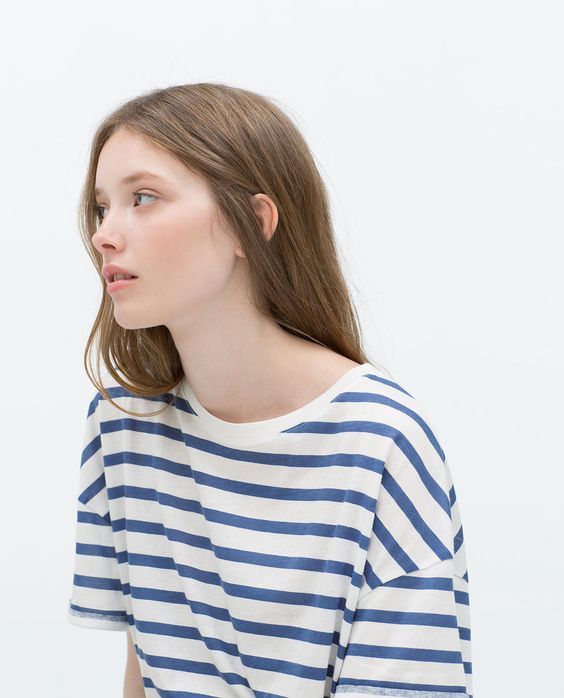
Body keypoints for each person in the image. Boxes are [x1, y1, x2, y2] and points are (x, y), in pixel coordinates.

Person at [67, 82, 473, 698]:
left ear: (251, 224)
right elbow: (145, 672)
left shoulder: (381, 442)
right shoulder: (123, 424)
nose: (105, 234)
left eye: (142, 198)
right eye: (102, 208)